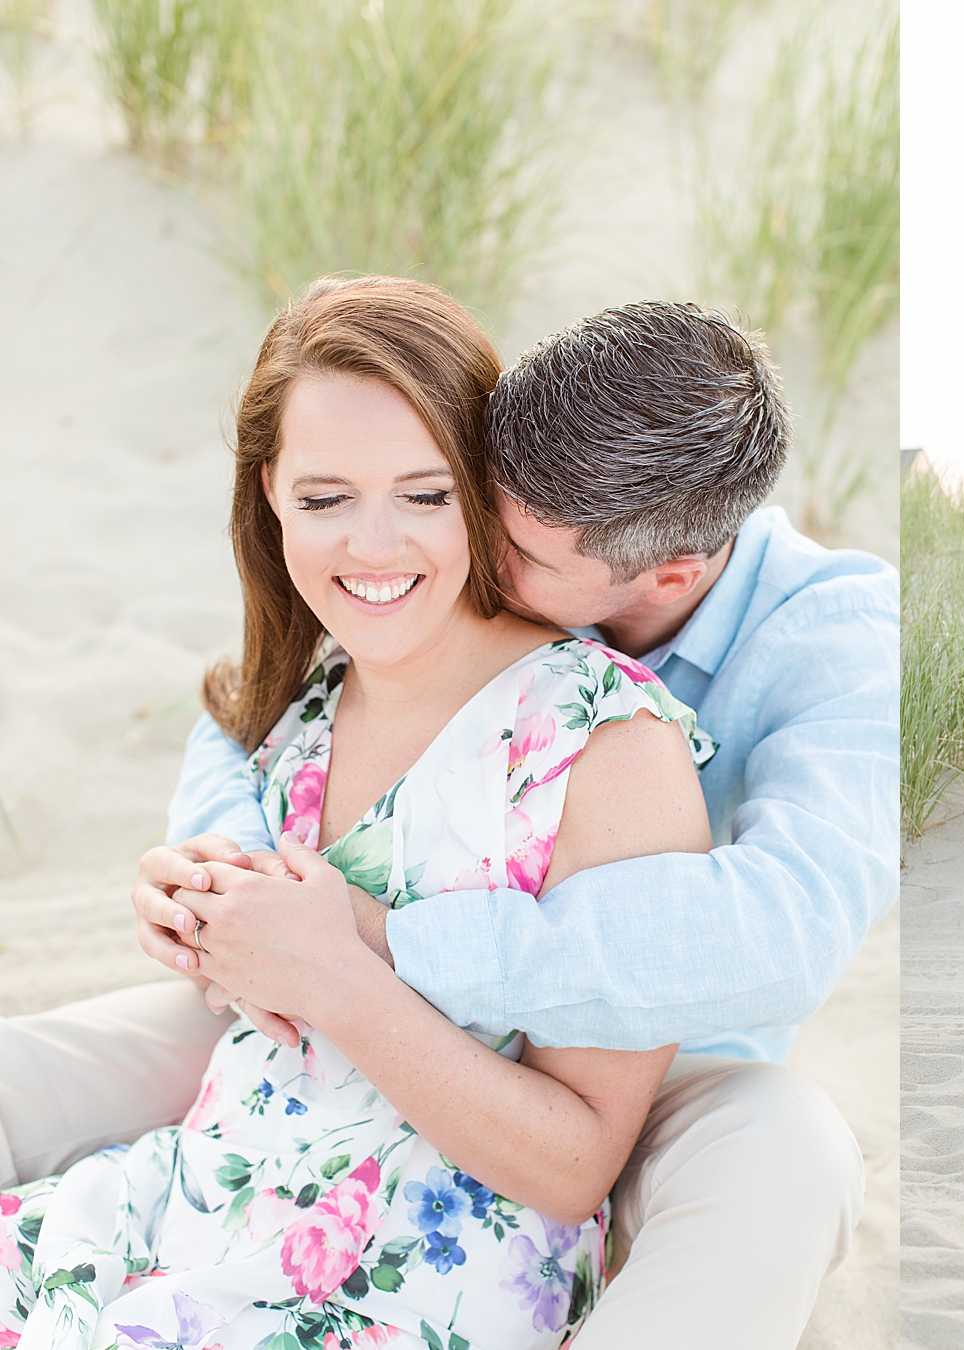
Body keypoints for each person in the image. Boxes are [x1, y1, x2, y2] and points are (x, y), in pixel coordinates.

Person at [2, 301, 897, 1348]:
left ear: (668, 577)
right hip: (312, 1025)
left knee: (789, 1154)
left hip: (633, 1063)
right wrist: (222, 876)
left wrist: (370, 946)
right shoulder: (530, 505)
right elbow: (264, 695)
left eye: (493, 535)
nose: (469, 551)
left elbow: (781, 936)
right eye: (478, 500)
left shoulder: (818, 645)